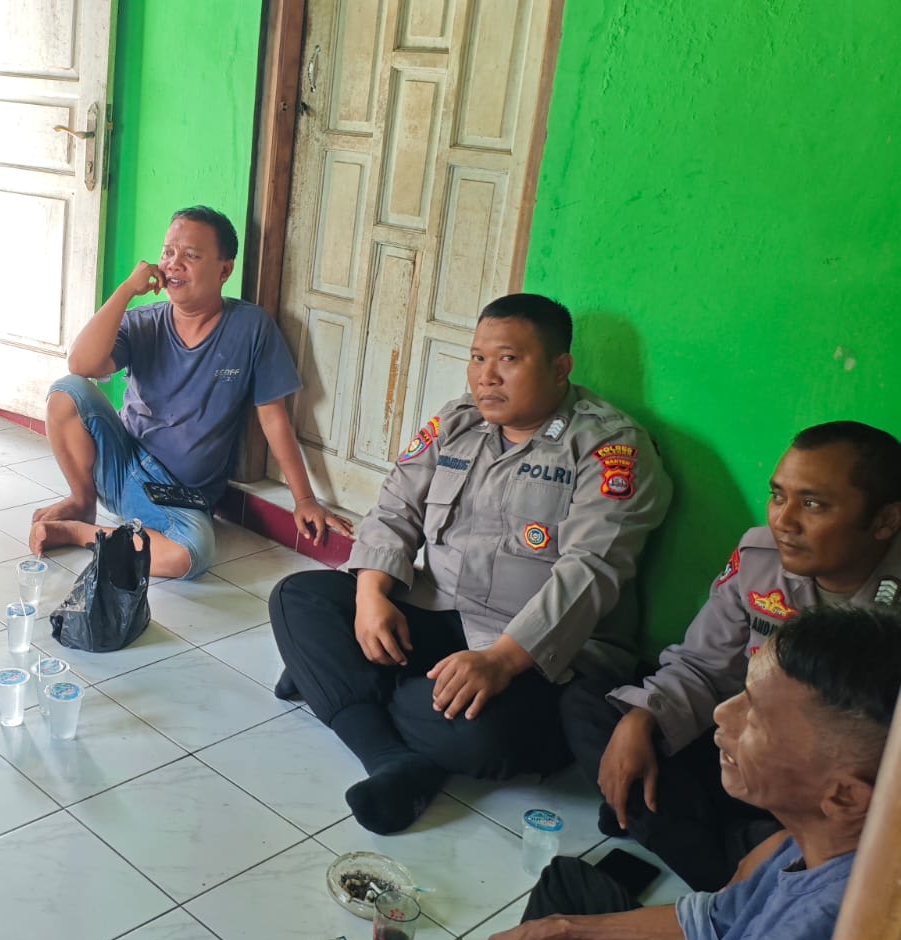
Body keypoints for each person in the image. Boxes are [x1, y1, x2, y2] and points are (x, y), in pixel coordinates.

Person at [354, 606, 901, 940]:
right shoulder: (810, 846)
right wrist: (559, 930)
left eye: (755, 714)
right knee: (566, 890)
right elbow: (710, 929)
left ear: (844, 795)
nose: (723, 715)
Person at [270, 294, 672, 834]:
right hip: (440, 611)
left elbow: (590, 572)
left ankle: (343, 689)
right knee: (297, 599)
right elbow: (394, 508)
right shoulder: (458, 423)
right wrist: (370, 595)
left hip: (538, 654)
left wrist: (500, 661)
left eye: (508, 359)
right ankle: (390, 755)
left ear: (560, 368)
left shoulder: (609, 448)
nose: (487, 376)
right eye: (478, 358)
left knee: (476, 732)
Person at [563, 421, 901, 891]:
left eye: (813, 504)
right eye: (778, 496)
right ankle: (745, 863)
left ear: (886, 521)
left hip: (830, 788)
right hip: (747, 745)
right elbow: (703, 666)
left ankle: (726, 860)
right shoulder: (760, 556)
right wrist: (644, 718)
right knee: (593, 707)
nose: (784, 521)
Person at [29, 205, 350, 579]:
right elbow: (81, 364)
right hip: (122, 467)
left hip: (179, 496)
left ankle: (77, 533)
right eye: (168, 252)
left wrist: (304, 499)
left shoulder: (251, 328)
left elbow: (273, 418)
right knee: (67, 391)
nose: (173, 264)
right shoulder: (144, 322)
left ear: (224, 270)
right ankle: (83, 502)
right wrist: (126, 291)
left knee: (190, 554)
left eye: (191, 256)